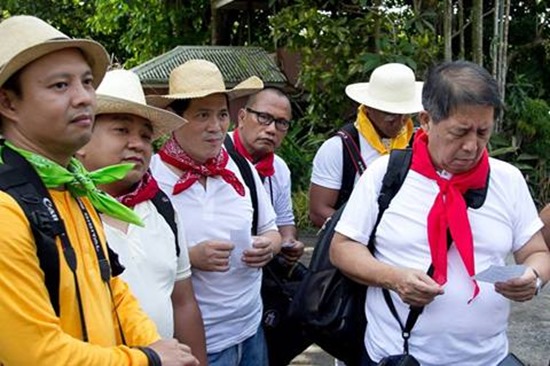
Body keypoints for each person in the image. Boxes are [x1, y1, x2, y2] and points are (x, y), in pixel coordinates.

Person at [0, 15, 197, 365]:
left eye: (87, 82)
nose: (84, 98)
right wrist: (149, 359)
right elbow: (34, 354)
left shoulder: (73, 189)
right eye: (61, 85)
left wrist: (154, 344)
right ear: (8, 103)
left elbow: (113, 286)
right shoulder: (7, 207)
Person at [330, 60, 550, 365]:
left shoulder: (507, 180)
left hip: (489, 358)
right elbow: (342, 249)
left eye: (483, 132)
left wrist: (535, 276)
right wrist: (394, 278)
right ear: (426, 120)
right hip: (399, 356)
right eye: (459, 132)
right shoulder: (387, 174)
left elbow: (537, 251)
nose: (472, 146)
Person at [147, 59, 282, 366]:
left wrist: (269, 247)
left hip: (251, 331)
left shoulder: (240, 167)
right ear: (175, 119)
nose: (217, 126)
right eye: (202, 115)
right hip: (194, 342)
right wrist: (189, 259)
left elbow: (271, 229)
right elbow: (134, 261)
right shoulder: (152, 178)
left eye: (222, 114)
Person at [76, 69, 207, 364]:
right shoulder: (61, 209)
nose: (138, 144)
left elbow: (182, 301)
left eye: (146, 136)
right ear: (81, 141)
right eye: (122, 130)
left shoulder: (161, 207)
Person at [309, 63, 423, 227]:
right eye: (390, 115)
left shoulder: (418, 144)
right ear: (368, 108)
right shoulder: (338, 149)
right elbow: (318, 211)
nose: (399, 123)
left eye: (405, 115)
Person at [232, 87, 304, 262]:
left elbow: (284, 220)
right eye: (264, 117)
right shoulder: (216, 157)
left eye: (281, 123)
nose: (272, 129)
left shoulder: (278, 168)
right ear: (242, 117)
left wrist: (288, 242)